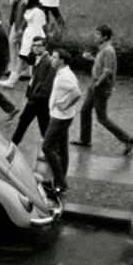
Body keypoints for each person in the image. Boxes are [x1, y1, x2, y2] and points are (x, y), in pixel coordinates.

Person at [72, 25, 133, 155]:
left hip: (100, 87)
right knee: (84, 111)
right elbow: (103, 65)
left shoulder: (109, 51)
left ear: (105, 37)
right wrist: (92, 59)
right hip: (94, 84)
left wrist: (98, 84)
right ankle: (85, 139)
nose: (95, 37)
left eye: (97, 35)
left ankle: (127, 139)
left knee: (102, 118)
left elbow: (108, 71)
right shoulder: (103, 49)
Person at [42, 49, 83, 197]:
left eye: (54, 57)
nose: (52, 59)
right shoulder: (63, 73)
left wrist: (64, 104)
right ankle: (58, 180)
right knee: (62, 149)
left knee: (47, 147)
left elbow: (77, 93)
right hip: (63, 116)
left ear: (61, 61)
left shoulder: (65, 76)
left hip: (60, 117)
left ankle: (60, 183)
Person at [10, 37, 56, 146]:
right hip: (38, 98)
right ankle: (51, 148)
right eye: (34, 45)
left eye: (39, 45)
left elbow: (45, 83)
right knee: (43, 124)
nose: (35, 48)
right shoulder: (38, 59)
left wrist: (34, 96)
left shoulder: (47, 62)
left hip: (38, 99)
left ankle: (13, 144)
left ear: (44, 47)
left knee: (24, 122)